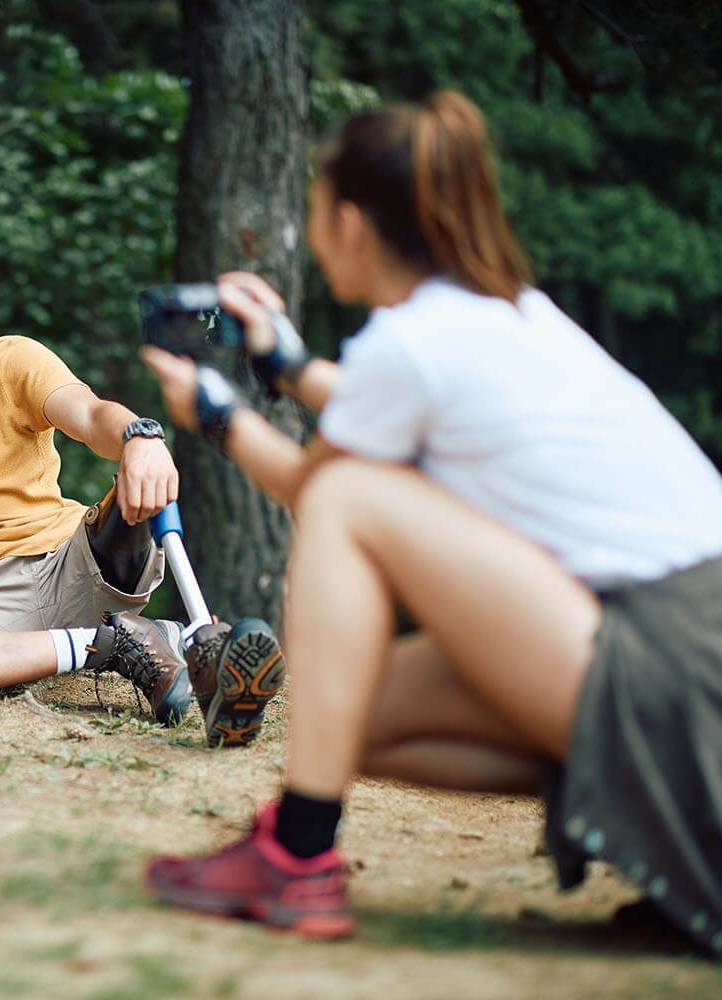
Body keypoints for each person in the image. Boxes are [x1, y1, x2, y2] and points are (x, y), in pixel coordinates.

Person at [140, 90, 722, 951]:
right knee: (352, 719)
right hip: (675, 647)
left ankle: (295, 854)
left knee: (347, 499)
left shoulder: (410, 344)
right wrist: (287, 366)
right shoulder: (505, 314)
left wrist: (219, 416)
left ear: (349, 222)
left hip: (678, 648)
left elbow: (323, 492)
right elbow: (383, 417)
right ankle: (654, 822)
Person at [0, 217, 283, 733]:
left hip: (69, 562)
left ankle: (176, 642)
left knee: (131, 489)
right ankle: (118, 644)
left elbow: (89, 415)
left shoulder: (13, 360)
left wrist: (140, 435)